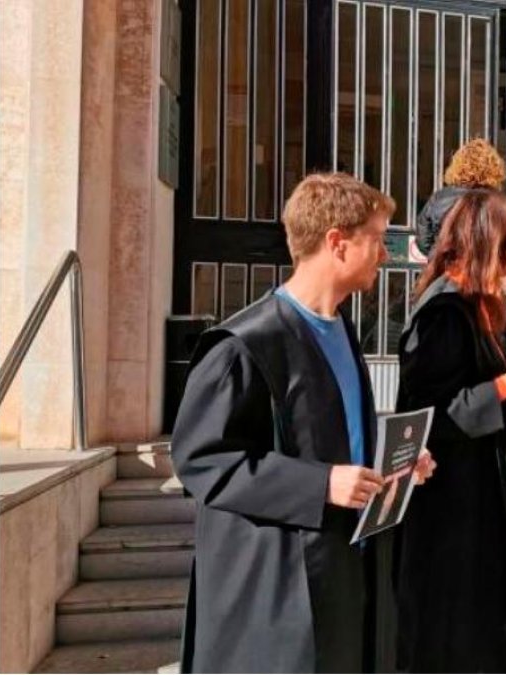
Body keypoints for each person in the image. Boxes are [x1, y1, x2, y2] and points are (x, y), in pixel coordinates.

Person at [170, 172, 433, 673]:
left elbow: (332, 433)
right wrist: (322, 483)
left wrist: (392, 464)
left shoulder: (341, 328)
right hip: (278, 586)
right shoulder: (244, 345)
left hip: (341, 571)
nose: (385, 253)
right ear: (337, 243)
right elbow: (201, 460)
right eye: (377, 239)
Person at [393, 190, 506, 672]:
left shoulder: (478, 306)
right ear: (492, 247)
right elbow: (427, 415)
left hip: (478, 501)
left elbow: (469, 395)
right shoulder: (444, 310)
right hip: (448, 515)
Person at [414, 137, 506, 257]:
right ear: (494, 168)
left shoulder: (440, 197)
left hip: (445, 268)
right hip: (482, 269)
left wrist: (439, 255)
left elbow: (423, 239)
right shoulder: (499, 202)